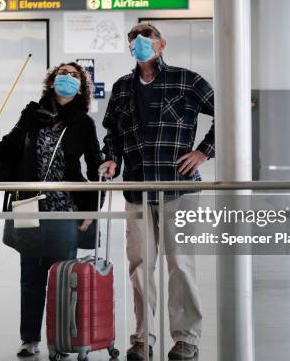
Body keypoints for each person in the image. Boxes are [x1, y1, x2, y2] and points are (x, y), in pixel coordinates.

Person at [0, 62, 103, 358]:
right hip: (28, 203)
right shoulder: (32, 114)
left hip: (65, 206)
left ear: (82, 87)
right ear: (51, 82)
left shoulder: (83, 123)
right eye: (63, 73)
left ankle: (61, 339)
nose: (68, 78)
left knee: (63, 277)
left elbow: (94, 162)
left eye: (74, 76)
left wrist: (92, 207)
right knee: (30, 275)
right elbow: (7, 147)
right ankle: (29, 338)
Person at [100, 23, 214, 360]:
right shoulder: (122, 88)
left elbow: (231, 110)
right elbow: (112, 136)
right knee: (139, 266)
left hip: (177, 187)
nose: (140, 43)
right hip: (137, 189)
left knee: (180, 265)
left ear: (162, 44)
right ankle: (142, 337)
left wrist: (204, 151)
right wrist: (110, 161)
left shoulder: (187, 81)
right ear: (129, 47)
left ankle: (186, 339)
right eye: (134, 39)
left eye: (147, 38)